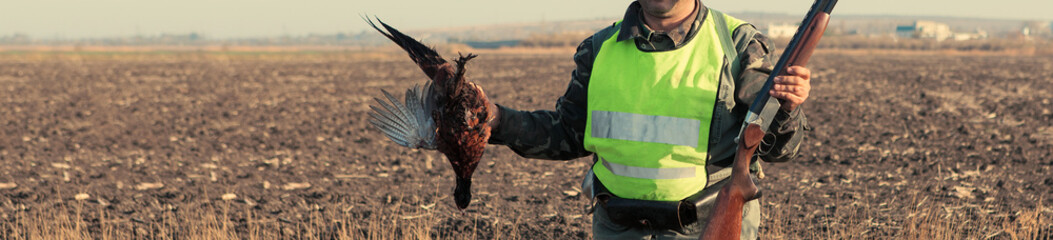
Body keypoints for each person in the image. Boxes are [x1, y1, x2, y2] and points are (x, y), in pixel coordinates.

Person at [483, 0, 811, 239]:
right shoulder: (599, 48)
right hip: (617, 228)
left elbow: (777, 149)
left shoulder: (739, 45)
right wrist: (498, 120)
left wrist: (787, 109)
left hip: (706, 227)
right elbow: (567, 134)